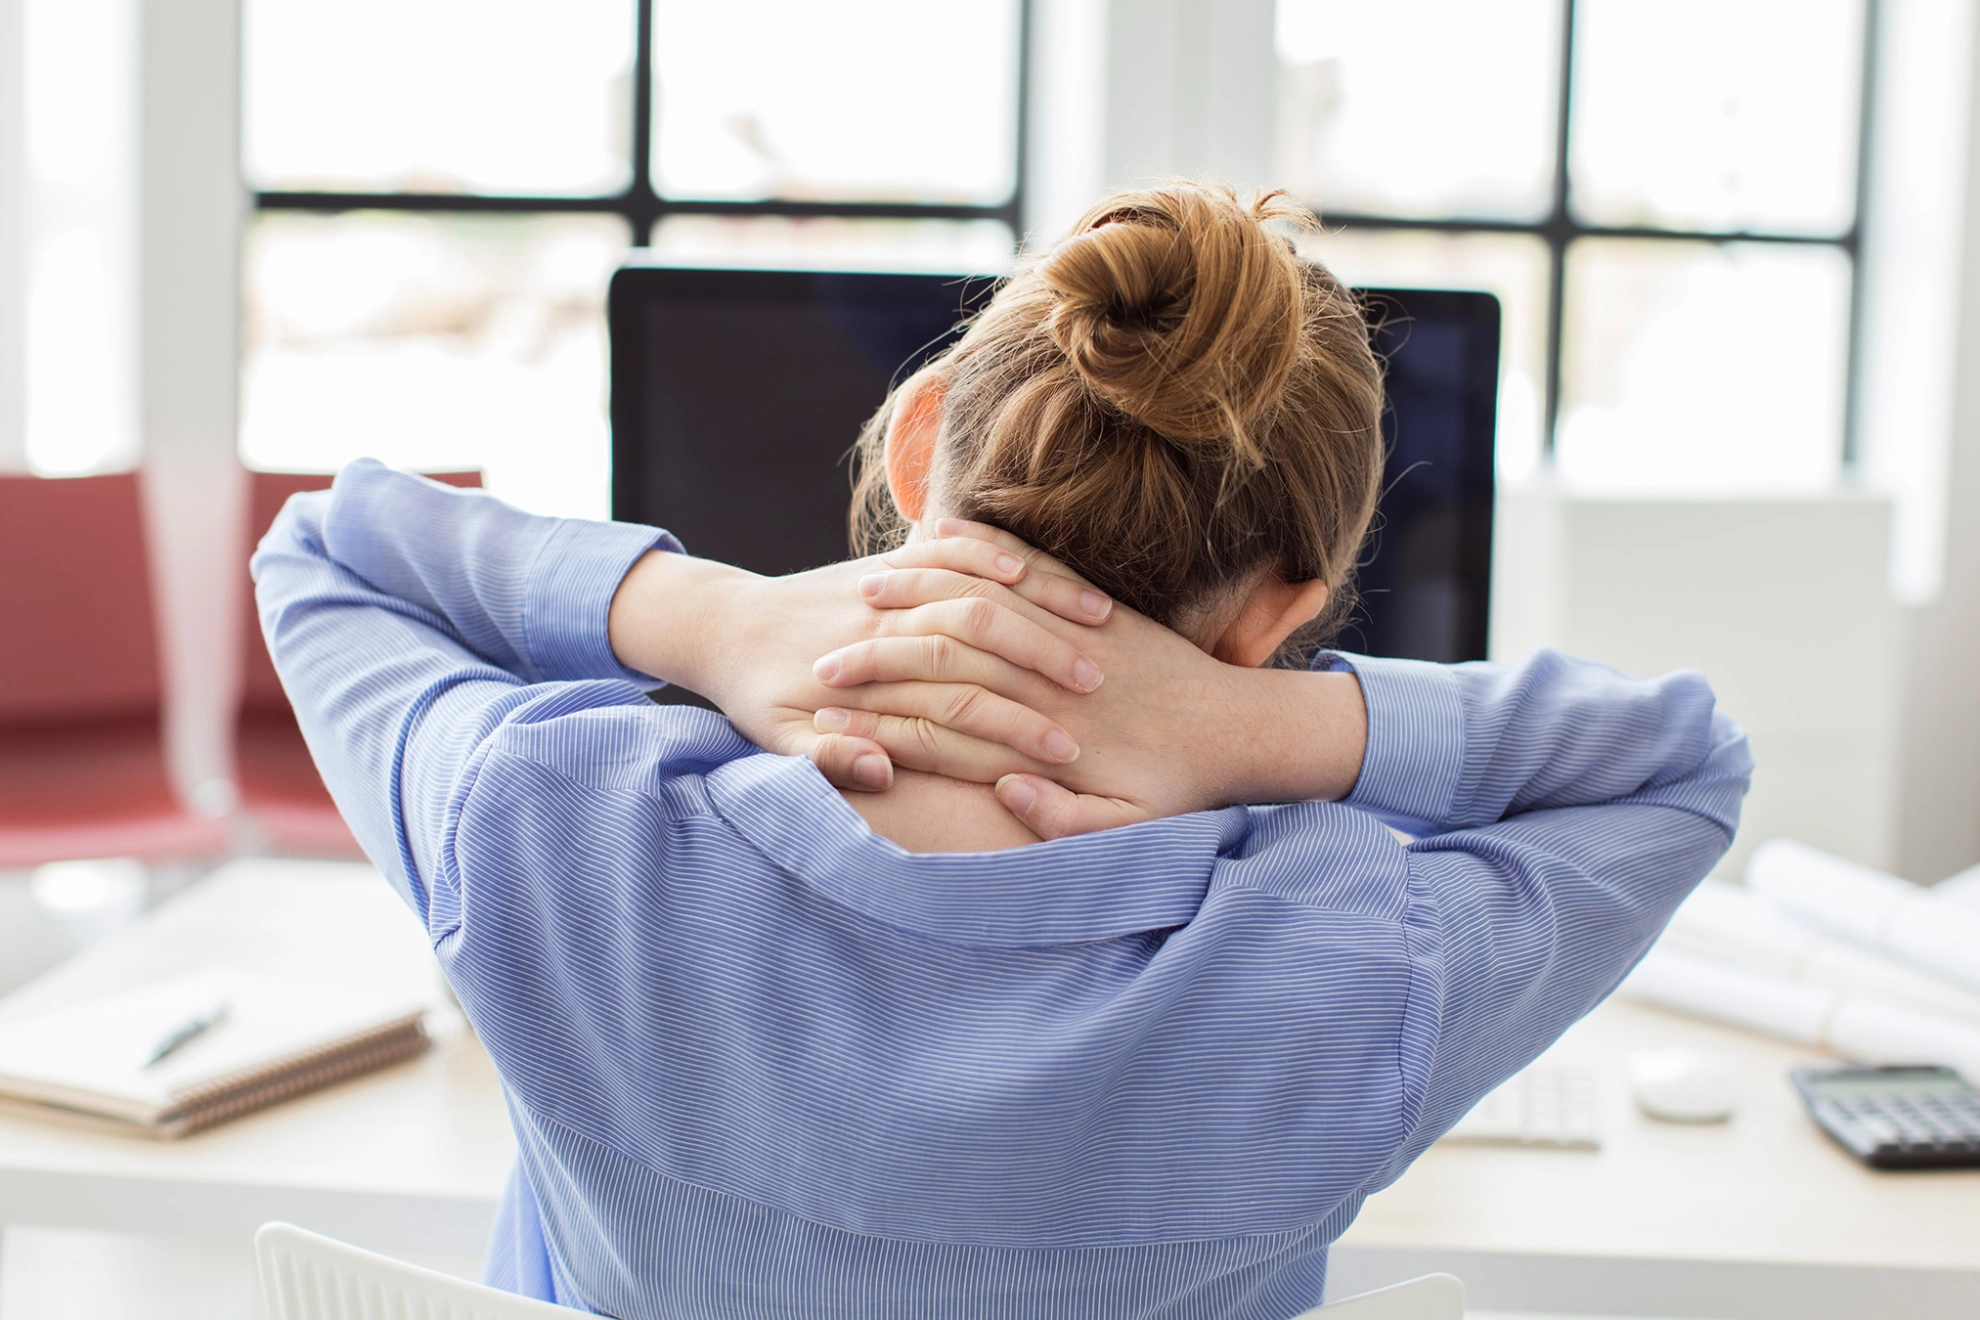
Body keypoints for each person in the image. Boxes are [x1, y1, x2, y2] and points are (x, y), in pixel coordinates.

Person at [254, 182, 1752, 1320]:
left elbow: (330, 550)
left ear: (915, 453)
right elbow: (1681, 765)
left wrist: (710, 618)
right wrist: (1257, 724)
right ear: (1285, 611)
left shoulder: (549, 824)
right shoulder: (1366, 963)